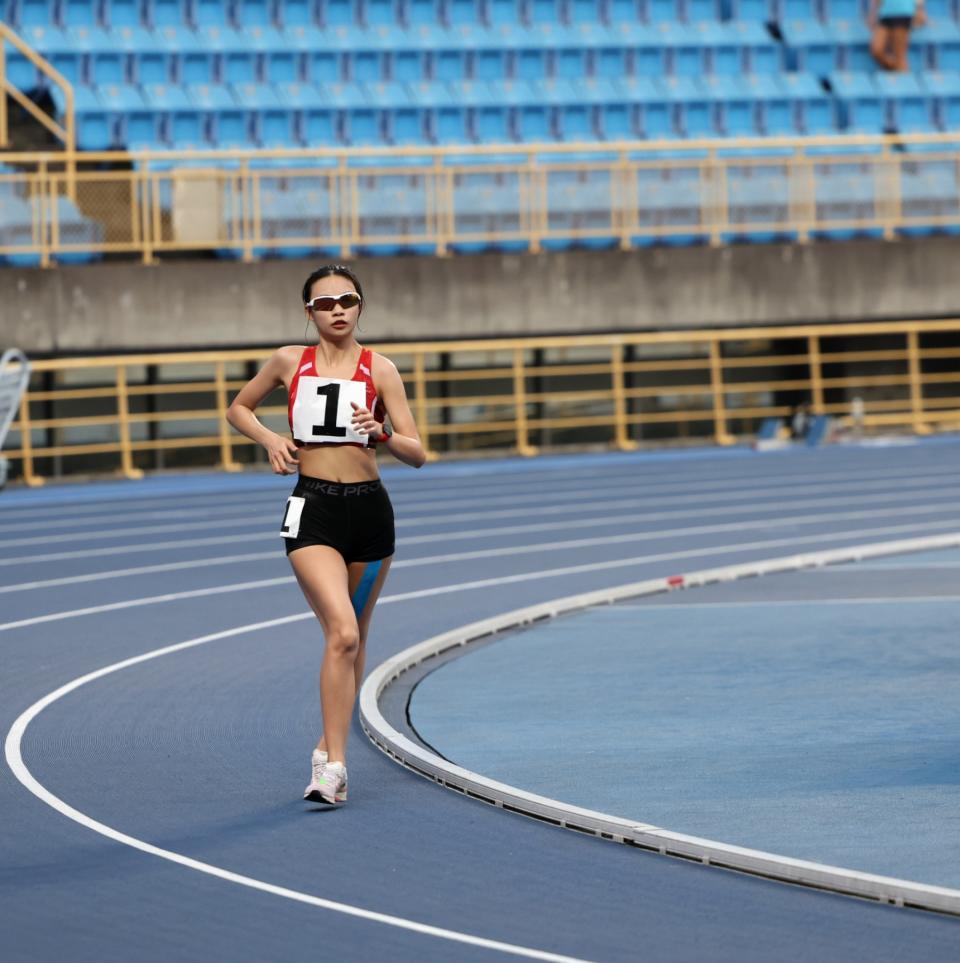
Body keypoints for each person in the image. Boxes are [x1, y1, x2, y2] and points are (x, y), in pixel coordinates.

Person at [226, 264, 426, 805]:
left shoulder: (380, 370)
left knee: (353, 636)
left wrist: (381, 432)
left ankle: (325, 742)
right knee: (341, 633)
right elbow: (238, 407)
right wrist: (271, 438)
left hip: (370, 517)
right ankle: (333, 768)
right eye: (325, 302)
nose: (337, 309)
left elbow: (417, 453)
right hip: (311, 511)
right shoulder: (290, 361)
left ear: (360, 306)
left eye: (347, 299)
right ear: (308, 311)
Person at [869, 0, 926, 72]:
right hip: (885, 12)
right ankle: (899, 73)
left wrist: (920, 9)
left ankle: (902, 77)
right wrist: (873, 12)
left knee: (899, 55)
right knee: (877, 50)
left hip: (903, 11)